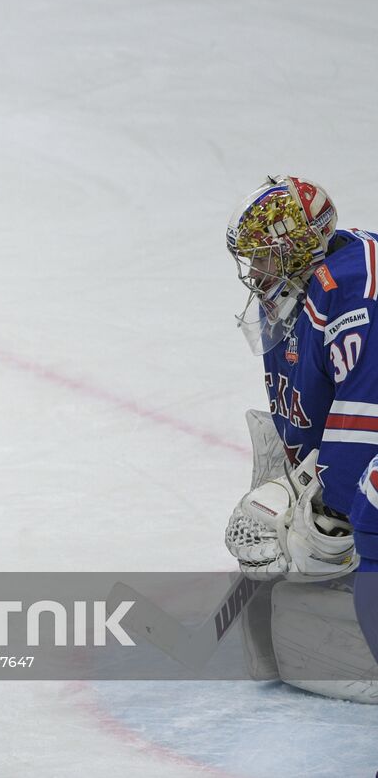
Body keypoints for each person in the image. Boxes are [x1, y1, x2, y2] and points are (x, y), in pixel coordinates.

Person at [221, 175, 378, 702]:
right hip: (356, 447)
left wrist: (325, 518)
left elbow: (364, 417)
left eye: (264, 256)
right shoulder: (295, 289)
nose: (254, 270)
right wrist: (290, 478)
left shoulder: (356, 295)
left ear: (299, 249)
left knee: (360, 523)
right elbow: (309, 403)